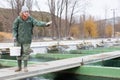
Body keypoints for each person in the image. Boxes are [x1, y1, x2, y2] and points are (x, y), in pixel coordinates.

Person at [12, 6, 51, 72]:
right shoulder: (18, 19)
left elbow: (37, 22)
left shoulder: (30, 19)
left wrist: (45, 24)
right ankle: (19, 67)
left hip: (27, 39)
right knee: (18, 53)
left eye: (27, 12)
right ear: (22, 12)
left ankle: (25, 67)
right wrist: (14, 36)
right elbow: (14, 29)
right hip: (18, 40)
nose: (26, 13)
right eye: (25, 12)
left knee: (26, 53)